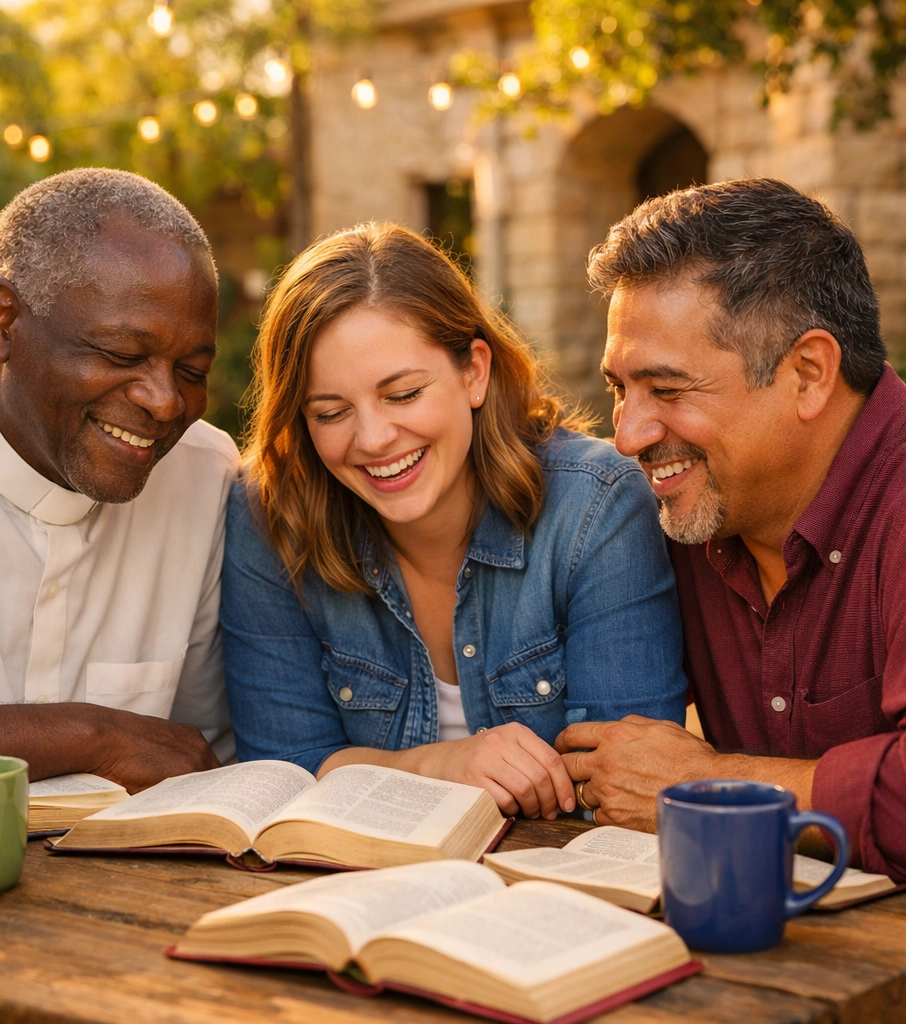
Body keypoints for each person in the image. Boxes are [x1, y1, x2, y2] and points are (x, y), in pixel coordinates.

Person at [222, 222, 686, 820]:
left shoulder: (596, 509)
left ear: (474, 372)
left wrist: (355, 769)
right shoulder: (269, 513)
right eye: (331, 411)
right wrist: (440, 766)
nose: (372, 439)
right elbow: (278, 774)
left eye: (404, 394)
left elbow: (623, 790)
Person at [556, 177, 906, 879]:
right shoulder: (684, 509)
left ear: (808, 373)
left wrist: (713, 789)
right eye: (620, 388)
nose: (628, 435)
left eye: (669, 390)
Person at [0, 168, 238, 796]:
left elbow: (198, 750)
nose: (164, 402)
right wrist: (87, 736)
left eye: (190, 369)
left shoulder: (204, 477)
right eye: (122, 355)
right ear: (1, 323)